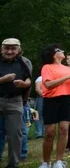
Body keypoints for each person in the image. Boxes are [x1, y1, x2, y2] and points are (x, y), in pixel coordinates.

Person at [40, 45, 70, 168]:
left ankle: (59, 161)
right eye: (58, 50)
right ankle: (46, 162)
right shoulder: (47, 67)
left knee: (64, 129)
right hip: (51, 100)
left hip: (66, 99)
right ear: (53, 54)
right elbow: (48, 85)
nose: (62, 51)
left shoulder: (67, 68)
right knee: (50, 132)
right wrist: (69, 76)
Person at [0, 38, 32, 168]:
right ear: (2, 48)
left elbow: (29, 78)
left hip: (15, 100)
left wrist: (25, 84)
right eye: (7, 48)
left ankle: (13, 164)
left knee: (15, 134)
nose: (9, 51)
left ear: (19, 49)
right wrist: (3, 79)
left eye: (13, 48)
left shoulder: (24, 62)